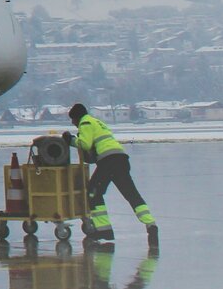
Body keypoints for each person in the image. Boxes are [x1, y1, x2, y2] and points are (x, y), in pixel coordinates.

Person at [67, 103, 157, 244]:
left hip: (109, 162)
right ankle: (151, 224)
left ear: (77, 117)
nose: (73, 123)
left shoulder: (85, 122)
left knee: (92, 193)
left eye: (72, 120)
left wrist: (70, 140)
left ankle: (104, 231)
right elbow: (93, 151)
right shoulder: (97, 122)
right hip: (120, 159)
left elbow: (85, 144)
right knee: (131, 194)